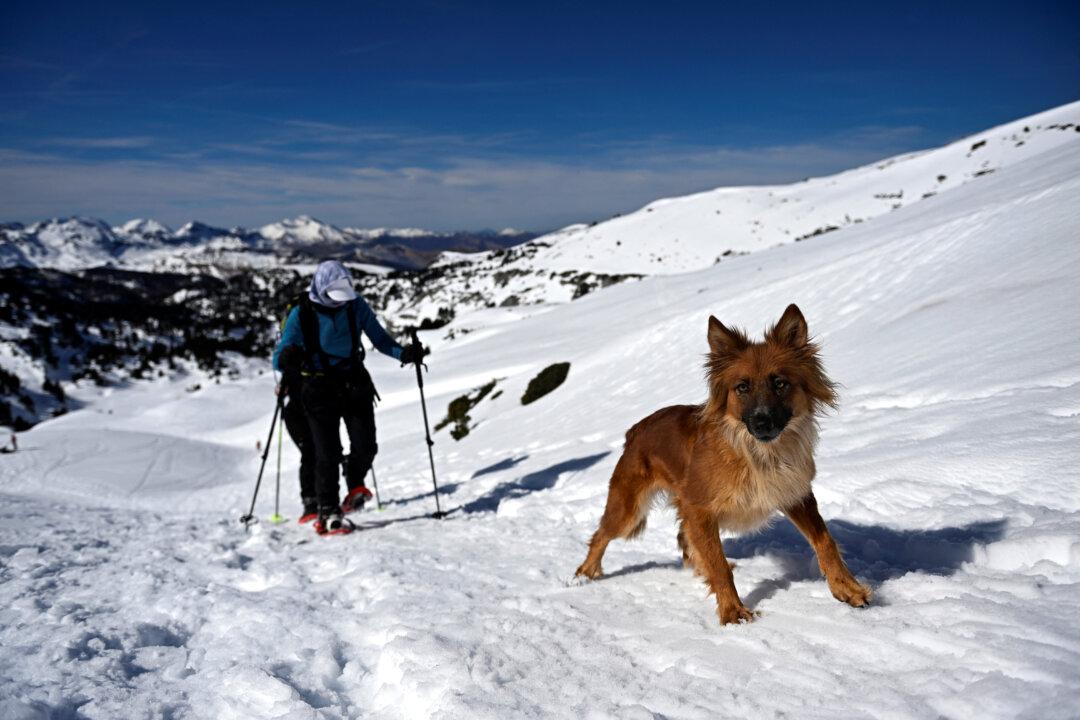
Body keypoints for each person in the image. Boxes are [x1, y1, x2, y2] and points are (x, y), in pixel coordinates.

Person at [272, 261, 423, 535]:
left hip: (354, 383)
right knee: (327, 453)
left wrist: (405, 354)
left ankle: (354, 482)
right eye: (333, 298)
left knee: (366, 445)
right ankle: (328, 510)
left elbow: (379, 338)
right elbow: (279, 357)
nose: (339, 304)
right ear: (320, 290)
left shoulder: (355, 305)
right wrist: (287, 358)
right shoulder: (301, 314)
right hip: (318, 389)